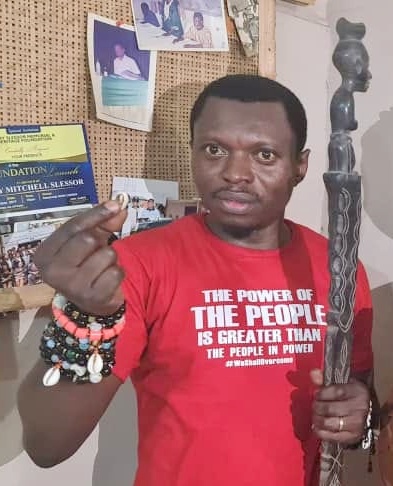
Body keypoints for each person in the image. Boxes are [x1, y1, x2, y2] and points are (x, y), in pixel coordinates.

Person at [18, 75, 374, 486]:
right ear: (192, 152)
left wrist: (357, 418)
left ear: (300, 165)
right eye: (214, 149)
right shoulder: (138, 264)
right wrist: (86, 317)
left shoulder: (339, 268)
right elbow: (47, 445)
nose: (235, 173)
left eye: (264, 154)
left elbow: (359, 400)